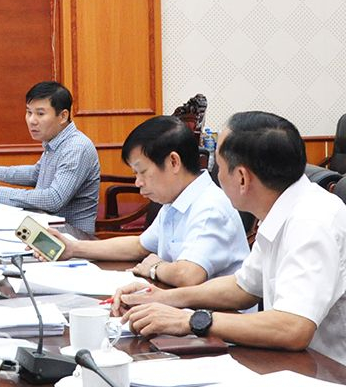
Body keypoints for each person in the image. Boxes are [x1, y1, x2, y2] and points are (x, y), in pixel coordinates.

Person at [112, 111, 346, 365]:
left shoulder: (312, 221)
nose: (216, 177)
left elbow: (293, 327)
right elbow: (242, 288)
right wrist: (161, 297)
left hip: (329, 375)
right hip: (294, 363)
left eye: (219, 168)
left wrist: (189, 320)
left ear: (242, 178)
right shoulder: (281, 209)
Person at [35, 116, 248, 286]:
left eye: (142, 172)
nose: (138, 182)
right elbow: (139, 246)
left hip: (221, 330)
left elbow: (188, 274)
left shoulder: (209, 207)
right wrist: (73, 248)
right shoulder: (176, 201)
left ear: (173, 162)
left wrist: (155, 268)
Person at [0, 81, 101, 233]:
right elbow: (36, 173)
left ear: (63, 116)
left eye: (40, 114)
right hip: (44, 228)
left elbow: (54, 199)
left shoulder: (76, 147)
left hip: (71, 238)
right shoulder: (56, 141)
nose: (32, 120)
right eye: (29, 112)